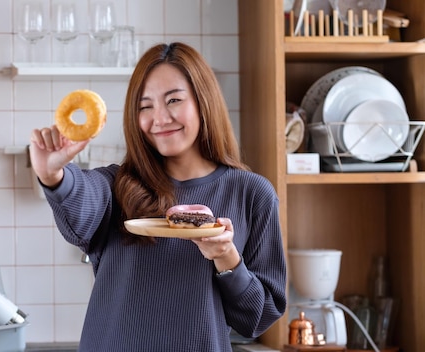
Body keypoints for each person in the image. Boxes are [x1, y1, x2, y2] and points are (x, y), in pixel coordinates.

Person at [29, 42, 286, 352]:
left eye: (173, 100)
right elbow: (80, 199)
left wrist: (226, 257)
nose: (159, 118)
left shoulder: (251, 194)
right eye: (145, 106)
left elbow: (257, 318)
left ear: (204, 102)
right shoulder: (116, 186)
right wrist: (53, 175)